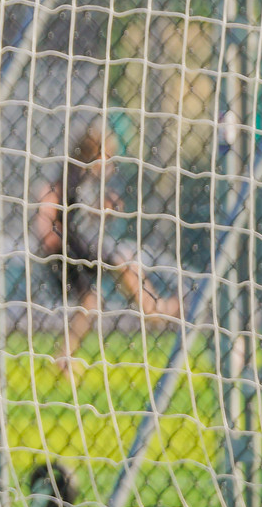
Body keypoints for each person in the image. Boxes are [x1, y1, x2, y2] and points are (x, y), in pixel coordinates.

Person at [33, 118, 179, 377]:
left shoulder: (87, 182)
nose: (110, 166)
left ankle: (66, 354)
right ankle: (153, 310)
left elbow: (85, 211)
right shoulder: (72, 176)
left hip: (79, 248)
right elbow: (49, 197)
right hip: (65, 250)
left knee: (100, 291)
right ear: (94, 155)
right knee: (112, 275)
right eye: (107, 157)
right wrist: (47, 229)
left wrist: (104, 207)